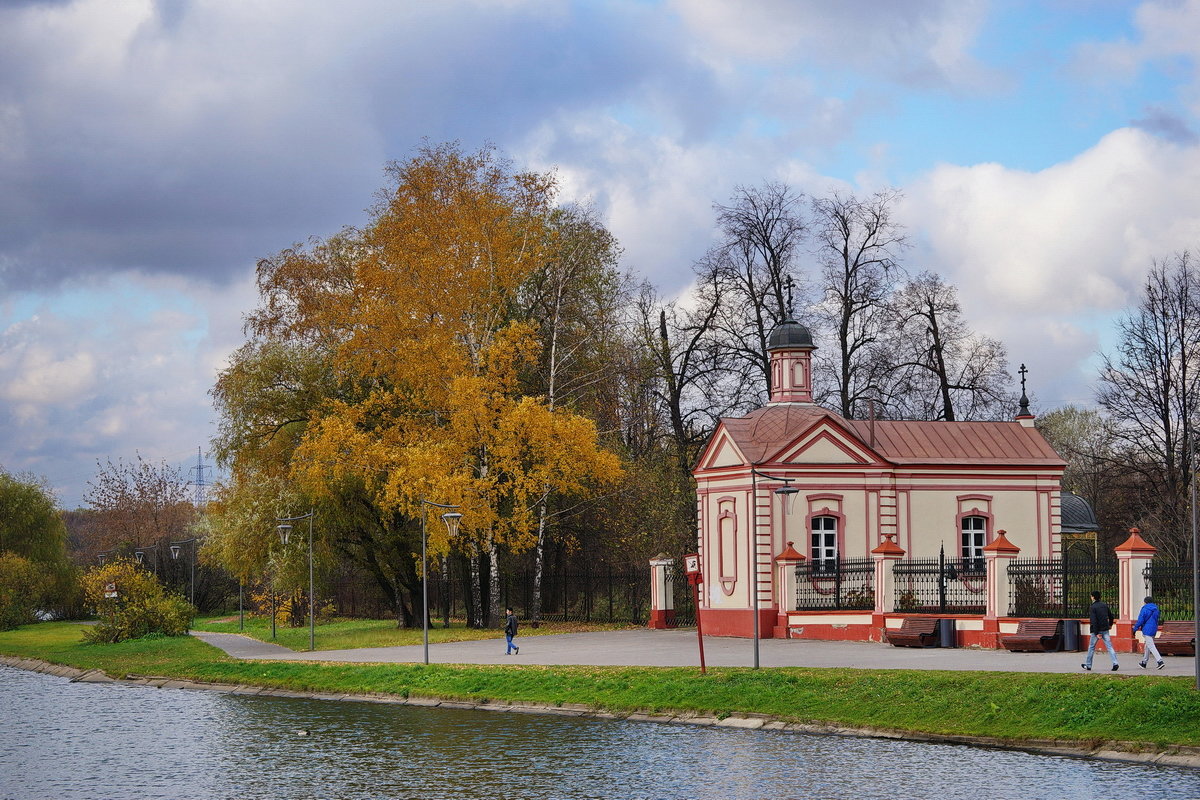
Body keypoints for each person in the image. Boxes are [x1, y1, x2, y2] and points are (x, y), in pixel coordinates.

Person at [1082, 590, 1119, 671]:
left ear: (1093, 597)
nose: (1091, 597)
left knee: (1091, 647)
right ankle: (1115, 663)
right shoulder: (1104, 605)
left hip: (1096, 630)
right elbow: (1111, 616)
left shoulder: (1093, 607)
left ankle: (1088, 665)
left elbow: (1094, 621)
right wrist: (1110, 625)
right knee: (1109, 646)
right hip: (1105, 629)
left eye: (1091, 596)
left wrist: (1096, 633)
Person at [1133, 595, 1166, 670]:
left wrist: (1135, 628)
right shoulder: (1156, 609)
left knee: (1151, 645)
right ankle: (1144, 662)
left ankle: (1160, 661)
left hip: (1147, 629)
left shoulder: (1144, 609)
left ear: (1145, 602)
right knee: (1147, 646)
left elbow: (1141, 620)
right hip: (1154, 628)